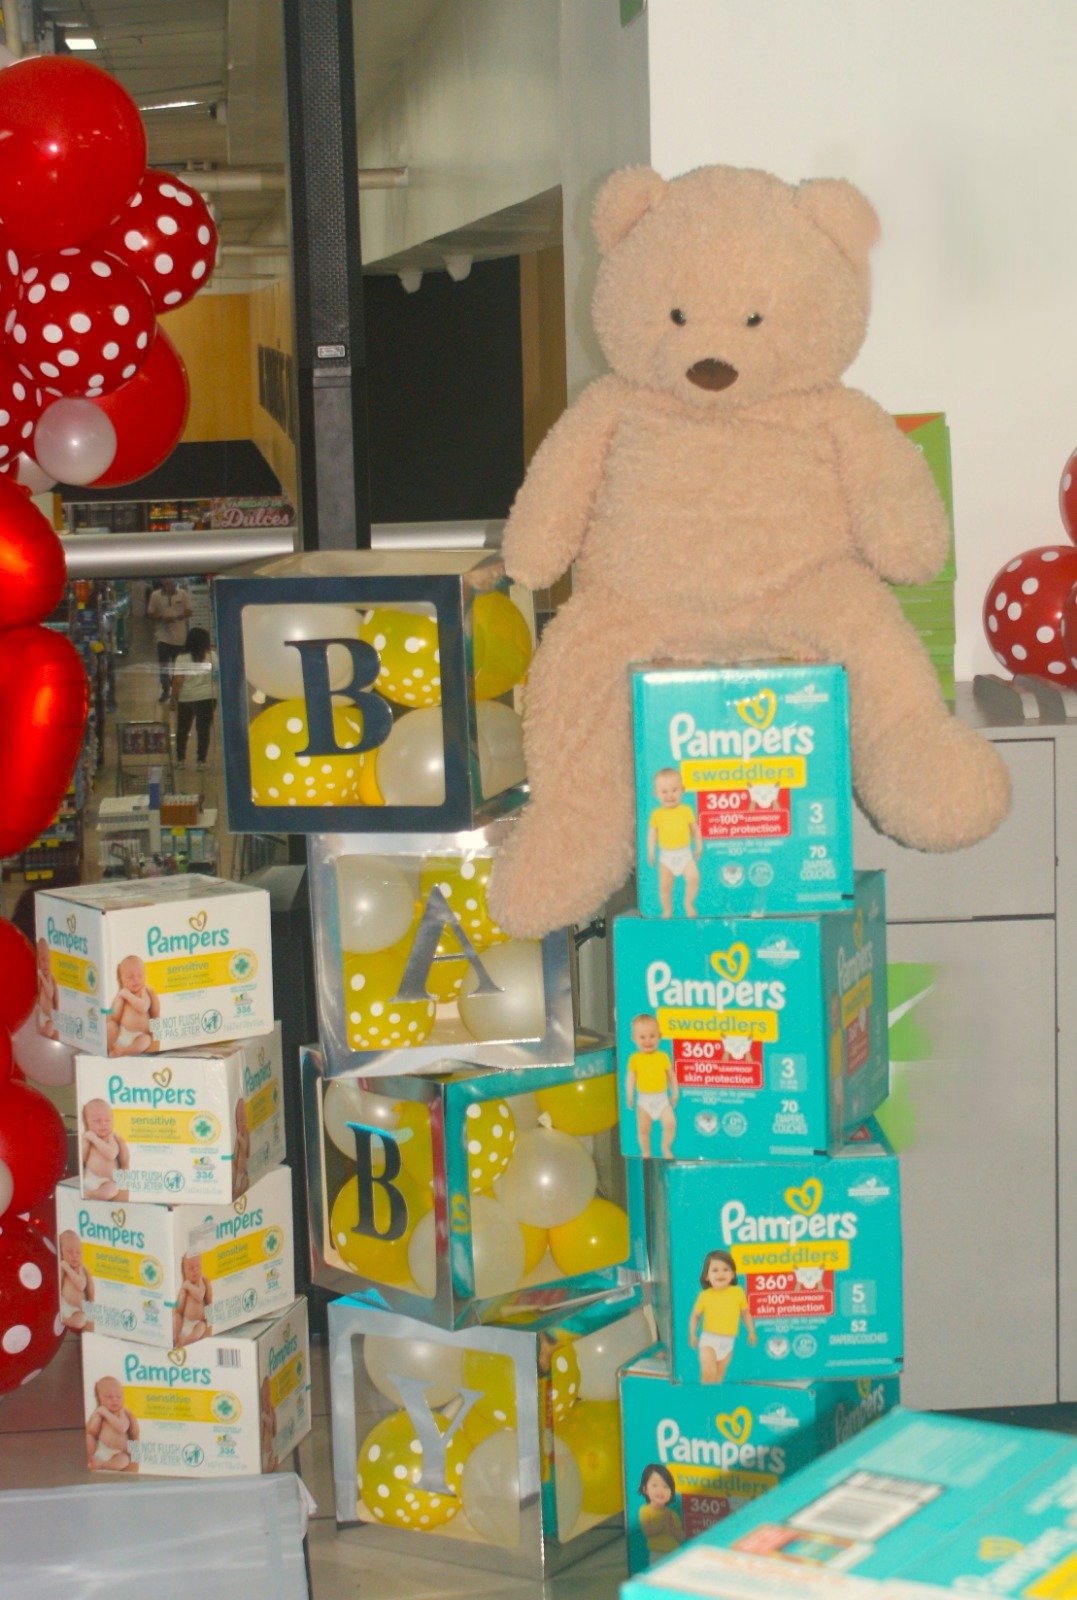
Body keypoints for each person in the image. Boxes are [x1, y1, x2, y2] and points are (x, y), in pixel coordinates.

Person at [689, 1249, 757, 1384]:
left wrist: (751, 1331)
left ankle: (713, 1396)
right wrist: (692, 1334)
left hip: (728, 1342)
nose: (720, 1273)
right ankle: (704, 1394)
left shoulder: (738, 1292)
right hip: (709, 1340)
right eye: (715, 1270)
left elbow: (745, 1313)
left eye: (725, 1269)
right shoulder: (705, 1295)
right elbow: (695, 1316)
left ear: (732, 1274)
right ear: (707, 1276)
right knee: (709, 1372)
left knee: (718, 1377)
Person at [648, 767, 702, 917]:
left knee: (694, 878)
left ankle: (688, 902)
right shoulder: (657, 814)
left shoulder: (686, 810)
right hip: (666, 856)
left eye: (674, 790)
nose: (670, 795)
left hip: (684, 853)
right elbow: (652, 834)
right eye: (664, 791)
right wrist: (651, 851)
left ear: (682, 790)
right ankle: (667, 909)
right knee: (665, 886)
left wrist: (699, 846)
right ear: (656, 793)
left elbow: (695, 830)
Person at [624, 1013, 679, 1157]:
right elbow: (631, 1078)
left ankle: (666, 1147)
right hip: (644, 1100)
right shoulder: (635, 1058)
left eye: (652, 1036)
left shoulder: (663, 1056)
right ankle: (646, 1152)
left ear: (659, 1036)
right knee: (643, 1129)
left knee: (670, 1123)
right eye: (642, 1037)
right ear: (634, 1038)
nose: (648, 1041)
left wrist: (675, 1092)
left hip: (662, 1098)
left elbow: (671, 1076)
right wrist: (629, 1094)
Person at [170, 625, 218, 771]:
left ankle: (180, 760)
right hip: (207, 697)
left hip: (187, 698)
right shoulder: (212, 656)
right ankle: (201, 761)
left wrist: (173, 699)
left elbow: (177, 681)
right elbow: (217, 676)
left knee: (183, 729)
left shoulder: (182, 658)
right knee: (203, 730)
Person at [147, 577, 192, 702]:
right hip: (162, 637)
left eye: (171, 581)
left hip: (180, 637)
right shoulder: (155, 595)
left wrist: (180, 616)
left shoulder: (183, 594)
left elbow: (189, 611)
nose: (168, 584)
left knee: (178, 665)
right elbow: (150, 613)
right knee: (163, 665)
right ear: (162, 582)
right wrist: (162, 618)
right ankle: (166, 690)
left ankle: (177, 690)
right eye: (166, 581)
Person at [106, 954, 159, 1056]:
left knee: (146, 1040)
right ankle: (110, 1049)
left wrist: (128, 995)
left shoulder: (144, 991)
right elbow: (115, 1016)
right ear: (121, 979)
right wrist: (120, 997)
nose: (136, 979)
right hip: (122, 1032)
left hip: (139, 1036)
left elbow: (143, 1007)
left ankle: (123, 1051)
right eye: (129, 977)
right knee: (111, 1026)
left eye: (140, 975)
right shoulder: (122, 993)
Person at [86, 1376, 139, 1472]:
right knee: (88, 1439)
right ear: (100, 1398)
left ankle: (101, 1464)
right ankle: (90, 1460)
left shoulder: (122, 1412)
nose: (114, 1400)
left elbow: (122, 1427)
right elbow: (91, 1431)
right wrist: (97, 1414)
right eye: (109, 1397)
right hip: (101, 1447)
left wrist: (106, 1413)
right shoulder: (100, 1411)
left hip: (118, 1452)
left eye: (118, 1396)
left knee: (124, 1460)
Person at [81, 1099, 130, 1202]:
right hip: (90, 1176)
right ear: (87, 1122)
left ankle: (89, 1194)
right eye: (96, 1121)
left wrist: (94, 1139)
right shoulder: (88, 1138)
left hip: (107, 1181)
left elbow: (111, 1154)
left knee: (112, 1189)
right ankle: (89, 1193)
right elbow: (83, 1159)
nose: (103, 1124)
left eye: (107, 1120)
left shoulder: (111, 1137)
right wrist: (85, 1142)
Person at [637, 1463, 684, 1561]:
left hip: (675, 1552)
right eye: (654, 1486)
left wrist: (673, 1527)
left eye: (665, 1487)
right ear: (645, 1489)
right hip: (657, 1553)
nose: (660, 1491)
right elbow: (648, 1532)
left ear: (671, 1492)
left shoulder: (672, 1514)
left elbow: (681, 1537)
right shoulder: (645, 1510)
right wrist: (663, 1522)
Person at [173, 1252, 213, 1346]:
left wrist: (188, 1286)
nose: (195, 1270)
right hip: (185, 1321)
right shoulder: (185, 1285)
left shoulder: (201, 1282)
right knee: (176, 1318)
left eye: (198, 1266)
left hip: (197, 1323)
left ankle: (185, 1341)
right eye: (190, 1268)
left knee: (202, 1327)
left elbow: (200, 1296)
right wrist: (183, 1289)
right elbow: (179, 1307)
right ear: (184, 1272)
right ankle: (175, 1338)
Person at [59, 1230, 95, 1333]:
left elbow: (81, 1285)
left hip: (77, 1311)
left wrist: (69, 1269)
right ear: (62, 1253)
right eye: (69, 1252)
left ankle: (63, 1320)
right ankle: (59, 1317)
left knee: (81, 1321)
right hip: (64, 1304)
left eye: (78, 1252)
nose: (74, 1255)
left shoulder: (80, 1269)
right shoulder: (62, 1268)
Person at [36, 936, 60, 1039]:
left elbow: (50, 994)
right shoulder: (37, 977)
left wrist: (42, 977)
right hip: (40, 1015)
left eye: (48, 960)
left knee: (50, 1031)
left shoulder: (50, 977)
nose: (46, 963)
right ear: (37, 961)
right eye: (42, 960)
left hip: (49, 1018)